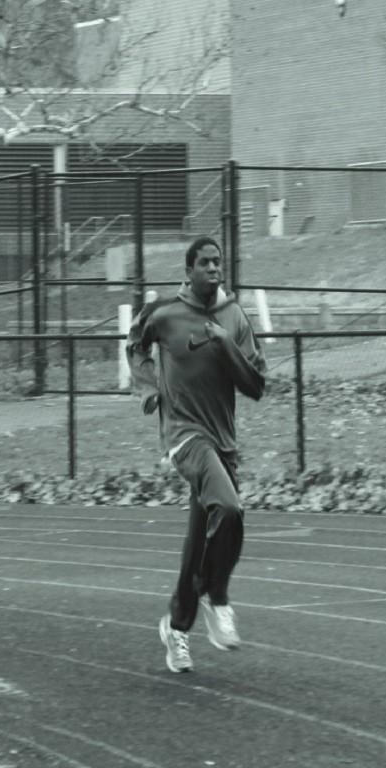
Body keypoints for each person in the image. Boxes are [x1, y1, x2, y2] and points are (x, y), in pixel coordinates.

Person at [126, 236, 266, 673]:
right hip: (185, 436)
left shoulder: (234, 318)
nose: (213, 269)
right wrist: (149, 388)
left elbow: (255, 386)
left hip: (224, 443)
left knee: (198, 545)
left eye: (217, 262)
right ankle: (218, 598)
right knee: (229, 507)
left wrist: (225, 343)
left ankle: (177, 627)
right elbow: (136, 343)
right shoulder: (165, 313)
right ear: (188, 271)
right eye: (204, 263)